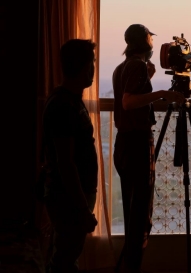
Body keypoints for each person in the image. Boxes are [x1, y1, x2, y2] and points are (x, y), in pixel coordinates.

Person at [112, 24, 186, 273]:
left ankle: (129, 265)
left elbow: (129, 96)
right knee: (141, 214)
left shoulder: (122, 67)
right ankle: (132, 267)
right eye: (150, 40)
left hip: (124, 143)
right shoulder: (136, 65)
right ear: (144, 42)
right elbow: (129, 101)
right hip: (136, 143)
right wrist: (163, 93)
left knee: (133, 211)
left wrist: (149, 79)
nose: (155, 45)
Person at [42, 39, 98, 273]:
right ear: (85, 67)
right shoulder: (64, 106)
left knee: (66, 253)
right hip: (69, 198)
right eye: (92, 63)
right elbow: (66, 163)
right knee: (64, 259)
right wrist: (83, 208)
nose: (93, 69)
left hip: (72, 196)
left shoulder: (69, 100)